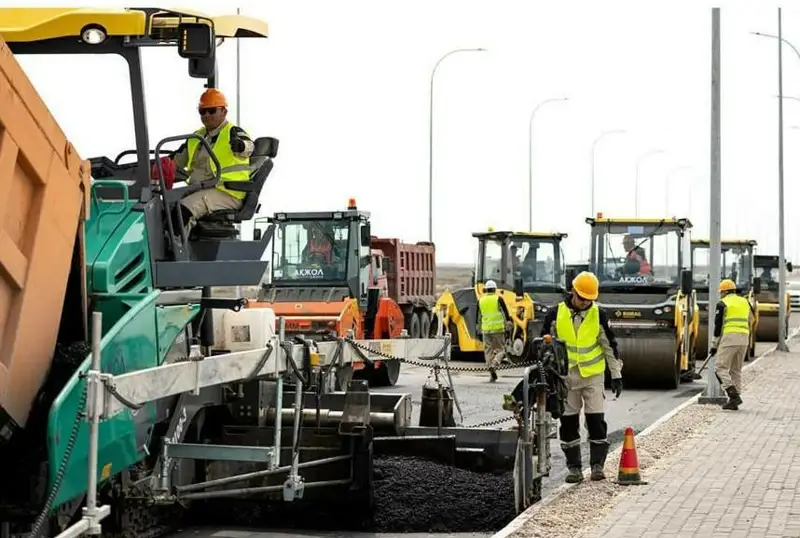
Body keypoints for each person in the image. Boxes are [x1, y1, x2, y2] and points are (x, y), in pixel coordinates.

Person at [542, 271, 622, 482]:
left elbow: (610, 346)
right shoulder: (554, 314)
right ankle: (574, 469)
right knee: (568, 422)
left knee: (596, 421)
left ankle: (597, 466)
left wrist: (616, 374)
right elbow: (544, 347)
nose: (585, 302)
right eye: (582, 298)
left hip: (592, 376)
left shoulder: (599, 315)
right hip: (566, 378)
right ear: (573, 292)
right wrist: (546, 376)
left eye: (590, 299)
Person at [157, 88, 255, 235]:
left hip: (228, 192)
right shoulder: (197, 136)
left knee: (183, 210)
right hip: (201, 189)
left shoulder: (233, 132)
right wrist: (155, 167)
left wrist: (240, 145)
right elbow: (176, 160)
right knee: (164, 206)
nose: (207, 115)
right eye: (202, 112)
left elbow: (250, 146)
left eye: (212, 110)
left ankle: (175, 252)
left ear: (224, 112)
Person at [710, 279, 754, 411]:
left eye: (721, 292)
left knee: (720, 368)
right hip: (744, 338)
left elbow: (718, 327)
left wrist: (714, 345)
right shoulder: (745, 301)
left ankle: (732, 394)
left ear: (724, 292)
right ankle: (735, 400)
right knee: (736, 369)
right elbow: (752, 319)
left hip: (729, 338)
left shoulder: (723, 303)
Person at [477, 280, 510, 382]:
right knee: (501, 350)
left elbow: (478, 317)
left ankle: (491, 373)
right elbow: (506, 314)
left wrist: (478, 329)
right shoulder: (498, 299)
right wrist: (508, 325)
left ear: (486, 289)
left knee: (488, 351)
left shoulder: (480, 300)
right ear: (495, 289)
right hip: (498, 329)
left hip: (486, 330)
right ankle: (495, 363)